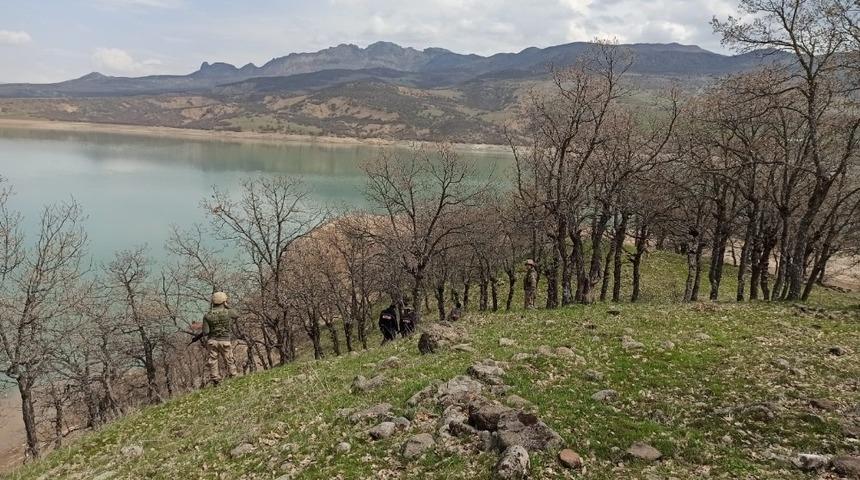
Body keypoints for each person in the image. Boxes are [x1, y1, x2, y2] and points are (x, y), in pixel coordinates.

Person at [203, 291, 239, 385]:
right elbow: (236, 315)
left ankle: (216, 379)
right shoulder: (228, 312)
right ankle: (233, 375)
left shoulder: (207, 315)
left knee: (213, 360)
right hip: (225, 340)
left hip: (212, 341)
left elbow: (206, 332)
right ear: (224, 301)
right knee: (229, 359)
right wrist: (228, 306)